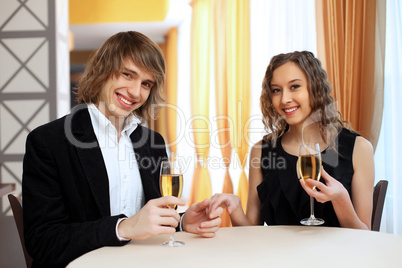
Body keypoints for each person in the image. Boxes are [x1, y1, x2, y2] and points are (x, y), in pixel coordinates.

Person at [22, 31, 222, 268]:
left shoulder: (152, 142)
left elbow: (146, 220)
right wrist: (123, 228)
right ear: (104, 70)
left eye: (146, 84)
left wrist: (181, 222)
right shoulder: (48, 141)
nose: (136, 92)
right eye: (128, 75)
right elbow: (43, 241)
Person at [209, 51, 374, 229]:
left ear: (315, 87)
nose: (285, 99)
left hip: (335, 256)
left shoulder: (358, 148)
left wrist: (341, 199)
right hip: (277, 256)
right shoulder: (262, 151)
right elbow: (252, 231)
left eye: (294, 86)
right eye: (276, 90)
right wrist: (235, 209)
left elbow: (365, 235)